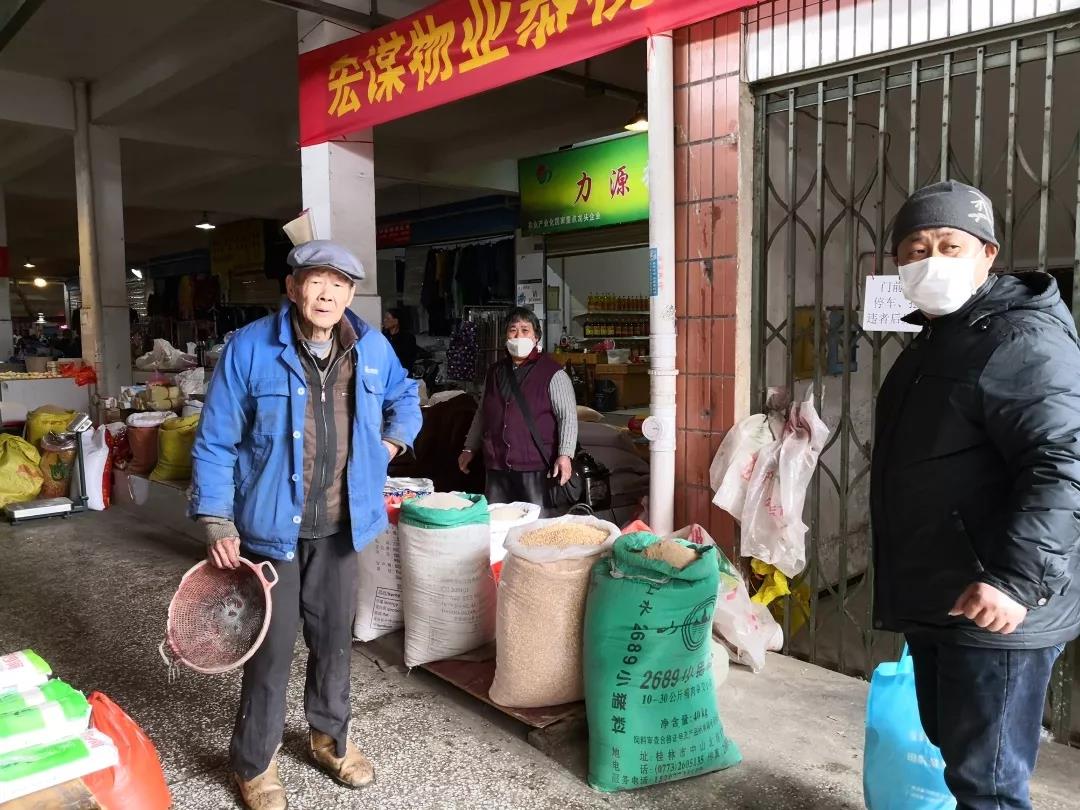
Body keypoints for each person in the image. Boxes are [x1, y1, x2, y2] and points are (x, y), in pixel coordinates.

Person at [870, 180, 1080, 809]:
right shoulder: (942, 336)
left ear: (987, 254)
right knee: (959, 753)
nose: (930, 260)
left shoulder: (1020, 339)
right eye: (915, 249)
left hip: (998, 607)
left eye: (949, 245)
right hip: (946, 596)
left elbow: (1063, 462)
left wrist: (1016, 580)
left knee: (988, 786)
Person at [190, 240, 421, 810]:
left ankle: (329, 739)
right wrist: (217, 519)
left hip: (342, 525)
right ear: (293, 288)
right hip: (272, 531)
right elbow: (215, 441)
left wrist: (392, 442)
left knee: (334, 641)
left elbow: (405, 395)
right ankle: (254, 763)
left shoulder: (371, 346)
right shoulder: (250, 349)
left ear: (350, 294)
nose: (327, 294)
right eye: (316, 281)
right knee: (270, 652)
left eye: (339, 284)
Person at [458, 307, 576, 512]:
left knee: (535, 525)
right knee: (497, 521)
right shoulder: (495, 372)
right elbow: (482, 413)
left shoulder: (553, 373)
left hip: (536, 468)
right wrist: (469, 448)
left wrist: (565, 455)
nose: (518, 335)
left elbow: (567, 417)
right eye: (513, 330)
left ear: (536, 337)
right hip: (496, 466)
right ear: (506, 336)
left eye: (525, 330)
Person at [382, 307, 418, 372]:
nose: (384, 320)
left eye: (388, 318)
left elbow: (408, 359)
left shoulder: (408, 337)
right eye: (384, 318)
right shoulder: (383, 336)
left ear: (396, 321)